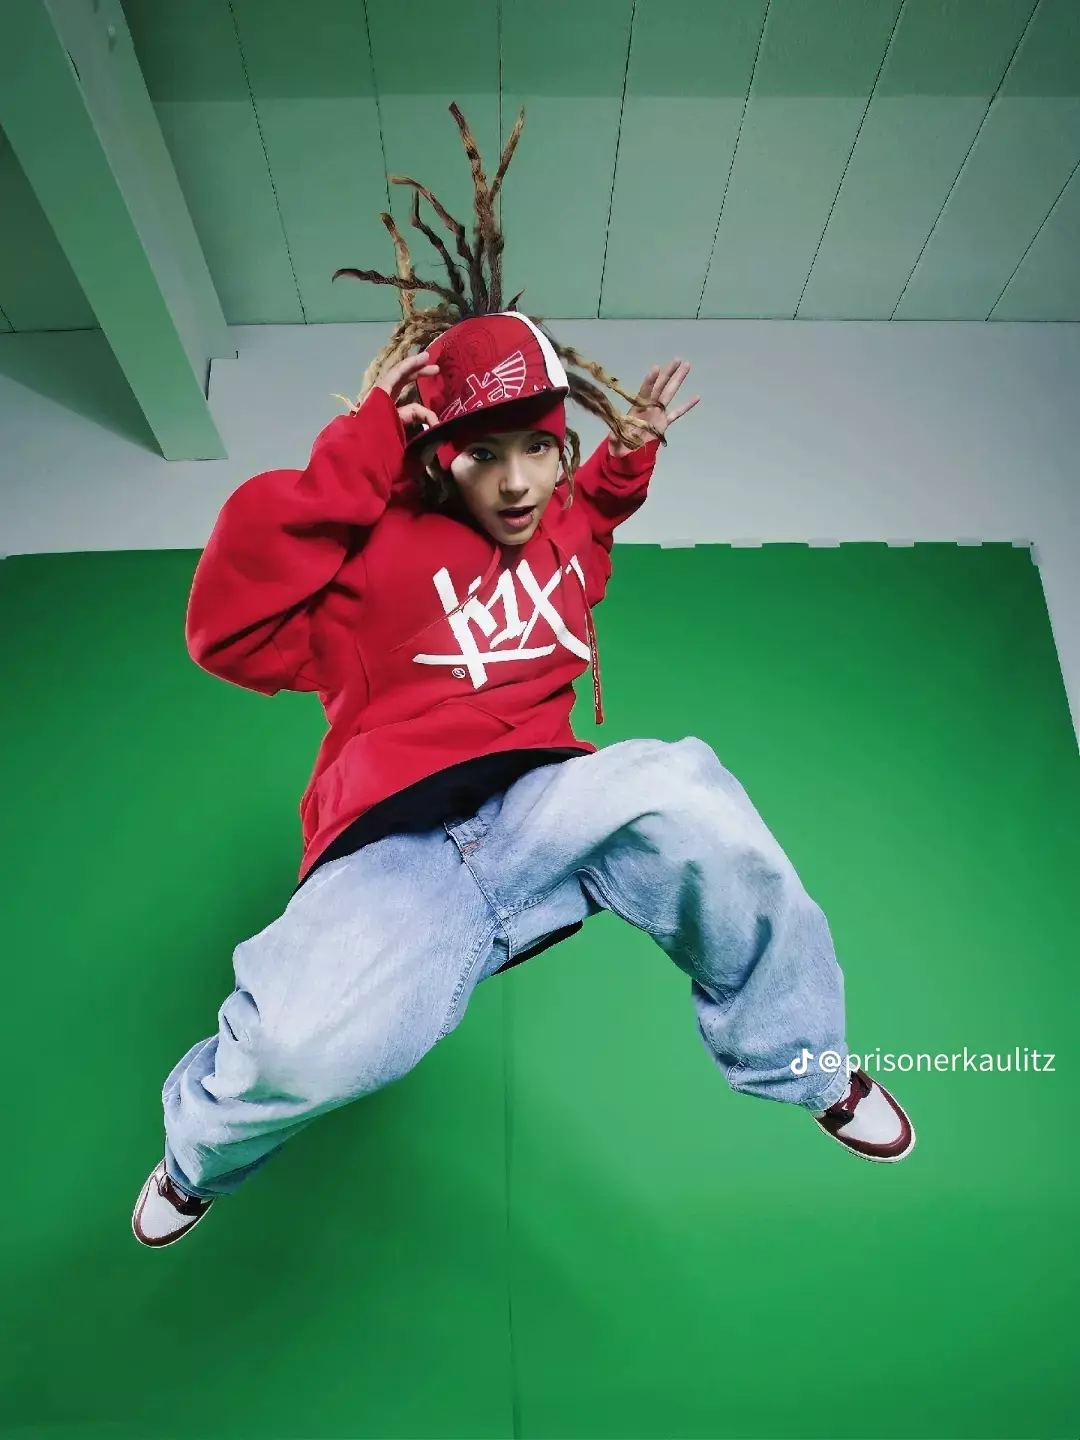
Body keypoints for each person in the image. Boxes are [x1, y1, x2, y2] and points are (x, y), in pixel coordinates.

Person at [133, 103, 913, 1249]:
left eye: (537, 450)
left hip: (544, 813)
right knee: (302, 1049)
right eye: (483, 457)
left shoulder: (561, 535)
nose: (513, 485)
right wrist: (359, 450)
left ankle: (811, 1067)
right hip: (395, 857)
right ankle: (197, 1158)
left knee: (681, 791)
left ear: (561, 446)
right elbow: (228, 628)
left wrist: (628, 461)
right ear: (438, 456)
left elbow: (591, 521)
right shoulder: (376, 552)